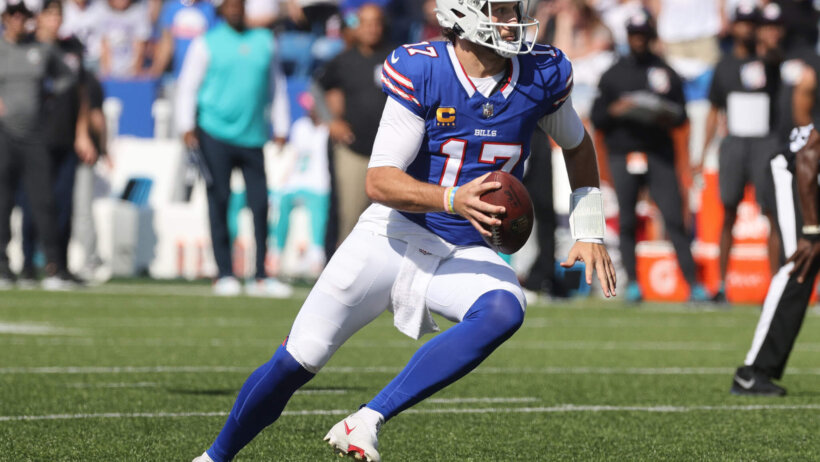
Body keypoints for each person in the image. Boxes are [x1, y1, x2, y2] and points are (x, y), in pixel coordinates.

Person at [191, 0, 617, 460]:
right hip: (391, 235)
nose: (514, 21)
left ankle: (367, 419)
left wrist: (588, 228)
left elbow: (576, 146)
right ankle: (213, 457)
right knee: (299, 359)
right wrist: (452, 198)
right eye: (502, 11)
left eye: (516, 10)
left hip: (460, 249)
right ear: (465, 13)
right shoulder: (425, 69)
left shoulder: (540, 75)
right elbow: (380, 180)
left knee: (505, 309)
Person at [175, 0, 292, 297]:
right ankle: (224, 272)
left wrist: (281, 126)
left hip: (253, 135)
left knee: (260, 204)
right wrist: (186, 126)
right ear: (221, 10)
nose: (235, 9)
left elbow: (275, 86)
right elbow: (188, 86)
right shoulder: (206, 43)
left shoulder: (265, 41)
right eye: (229, 5)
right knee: (220, 200)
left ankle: (261, 275)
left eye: (239, 4)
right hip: (214, 132)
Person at [591, 10, 708, 303]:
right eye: (634, 35)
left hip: (658, 153)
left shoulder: (665, 71)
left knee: (673, 218)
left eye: (644, 35)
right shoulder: (613, 73)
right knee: (628, 220)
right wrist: (617, 110)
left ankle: (693, 284)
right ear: (628, 37)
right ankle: (632, 283)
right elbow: (598, 116)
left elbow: (681, 113)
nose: (639, 40)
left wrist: (662, 114)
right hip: (624, 153)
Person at [698, 4, 781, 303]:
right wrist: (702, 153)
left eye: (752, 23)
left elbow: (779, 68)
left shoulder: (771, 61)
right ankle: (720, 286)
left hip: (765, 143)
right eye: (742, 23)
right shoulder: (725, 64)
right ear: (733, 27)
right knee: (728, 211)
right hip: (734, 142)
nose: (747, 28)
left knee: (771, 212)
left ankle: (776, 285)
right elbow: (714, 110)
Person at [730, 122, 820, 396]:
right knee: (799, 266)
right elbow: (808, 157)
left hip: (808, 175)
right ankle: (752, 372)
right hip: (793, 173)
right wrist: (812, 229)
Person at [16, 0, 97, 288]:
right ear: (38, 18)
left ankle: (58, 265)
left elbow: (82, 92)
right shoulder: (25, 47)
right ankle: (27, 264)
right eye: (48, 13)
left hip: (64, 135)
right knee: (34, 203)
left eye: (58, 13)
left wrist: (82, 131)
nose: (54, 19)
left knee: (63, 204)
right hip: (33, 137)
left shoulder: (72, 48)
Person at [0, 0, 80, 289]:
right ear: (6, 18)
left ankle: (53, 266)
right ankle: (3, 266)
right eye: (14, 14)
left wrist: (47, 96)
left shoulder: (42, 50)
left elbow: (67, 78)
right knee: (3, 202)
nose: (19, 20)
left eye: (23, 14)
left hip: (35, 135)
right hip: (4, 135)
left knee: (43, 201)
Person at [315, 3, 391, 247]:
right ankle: (341, 278)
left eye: (376, 22)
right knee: (350, 218)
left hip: (389, 154)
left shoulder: (396, 58)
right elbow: (316, 88)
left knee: (388, 223)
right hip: (353, 149)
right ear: (356, 27)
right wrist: (332, 120)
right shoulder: (343, 60)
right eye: (366, 22)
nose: (372, 28)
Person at [274, 92, 330, 277]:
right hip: (296, 182)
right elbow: (296, 156)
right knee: (280, 205)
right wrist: (285, 179)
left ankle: (315, 256)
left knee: (318, 213)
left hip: (319, 184)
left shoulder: (329, 129)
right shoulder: (300, 127)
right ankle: (276, 252)